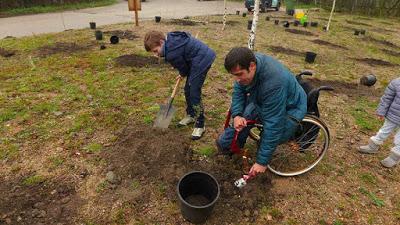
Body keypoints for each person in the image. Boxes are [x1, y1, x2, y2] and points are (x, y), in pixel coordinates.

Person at [216, 47, 307, 175]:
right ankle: (231, 148)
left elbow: (274, 123)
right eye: (234, 75)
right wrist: (237, 115)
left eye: (239, 74)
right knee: (240, 124)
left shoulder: (273, 83)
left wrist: (262, 162)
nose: (236, 79)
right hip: (262, 98)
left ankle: (270, 149)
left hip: (291, 106)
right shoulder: (245, 64)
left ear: (252, 66)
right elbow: (238, 92)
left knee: (271, 135)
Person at [144, 31, 216, 140]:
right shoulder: (171, 39)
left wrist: (182, 73)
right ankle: (191, 115)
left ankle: (200, 124)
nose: (156, 54)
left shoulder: (171, 53)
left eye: (155, 51)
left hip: (203, 59)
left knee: (194, 92)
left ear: (161, 42)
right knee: (188, 89)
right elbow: (186, 36)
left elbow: (184, 69)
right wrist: (182, 73)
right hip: (195, 59)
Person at [359, 78, 400, 168]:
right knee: (383, 131)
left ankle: (394, 157)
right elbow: (387, 98)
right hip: (393, 116)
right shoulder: (396, 83)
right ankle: (373, 146)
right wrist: (381, 112)